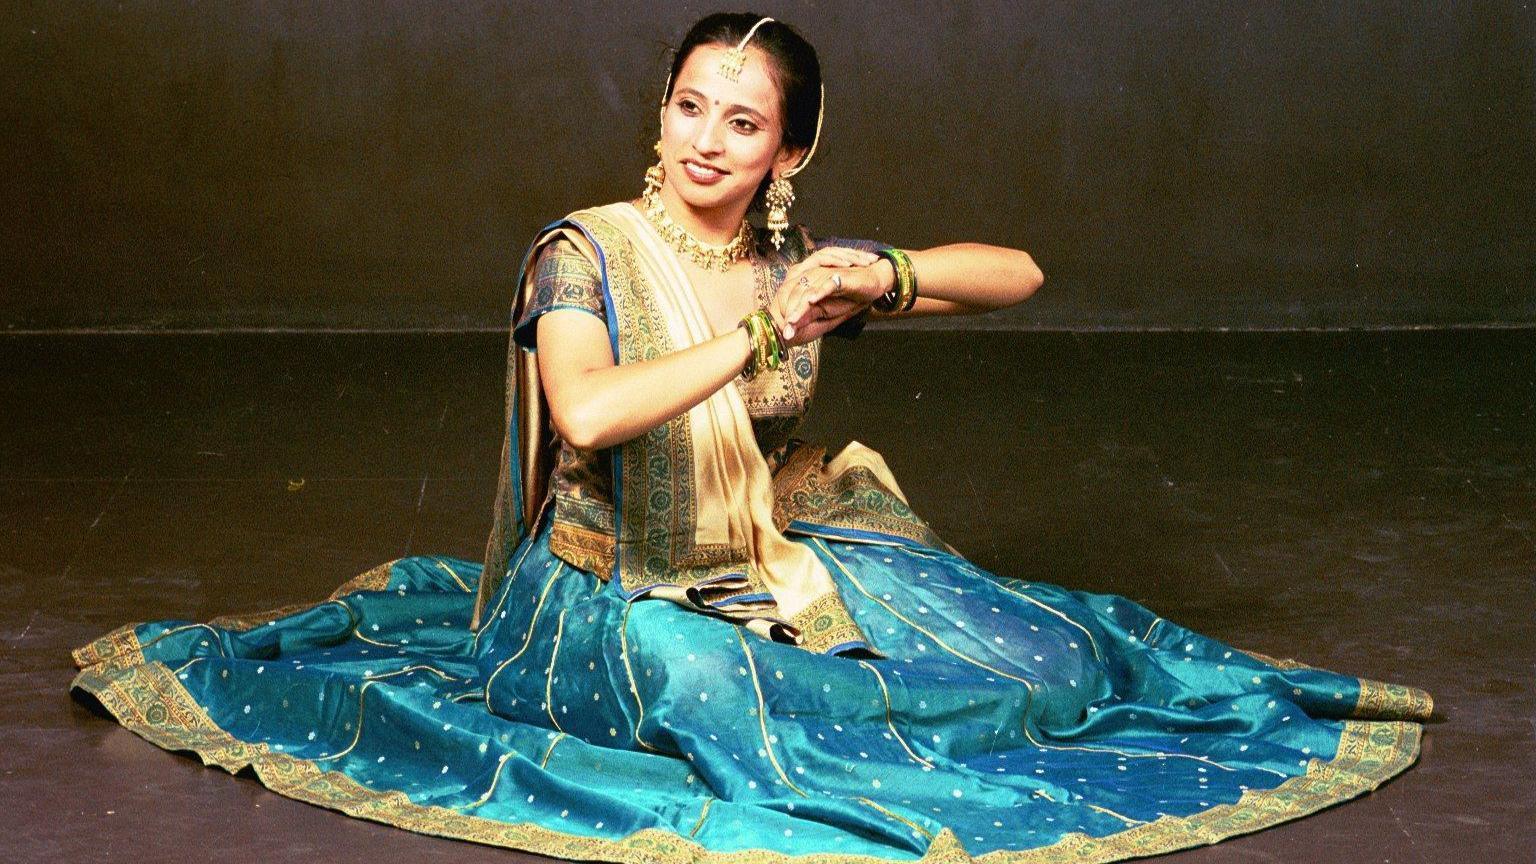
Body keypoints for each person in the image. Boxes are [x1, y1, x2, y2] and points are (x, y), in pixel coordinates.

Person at [70, 12, 1432, 862]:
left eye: (744, 121)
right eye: (686, 108)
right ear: (657, 115)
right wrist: (765, 336)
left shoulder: (795, 260)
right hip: (615, 589)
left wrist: (874, 275)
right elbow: (588, 414)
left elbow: (1017, 271)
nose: (706, 141)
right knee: (755, 723)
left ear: (789, 154)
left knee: (1053, 662)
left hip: (776, 552)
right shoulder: (585, 253)